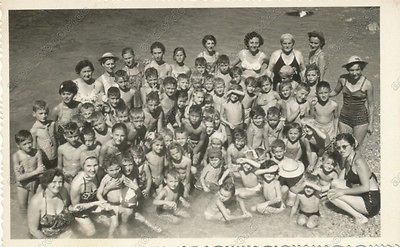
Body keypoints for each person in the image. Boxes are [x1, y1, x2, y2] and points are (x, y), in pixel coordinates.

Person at [328, 133, 380, 224]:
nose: (341, 150)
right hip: (362, 194)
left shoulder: (358, 162)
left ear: (352, 146)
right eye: (338, 147)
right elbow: (341, 180)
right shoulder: (348, 159)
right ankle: (353, 205)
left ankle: (360, 217)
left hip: (370, 202)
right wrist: (334, 188)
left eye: (344, 146)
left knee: (331, 196)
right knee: (334, 184)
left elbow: (365, 188)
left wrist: (342, 192)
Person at [330, 56, 374, 147]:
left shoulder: (367, 84)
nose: (354, 73)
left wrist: (371, 124)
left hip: (361, 120)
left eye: (357, 70)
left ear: (361, 68)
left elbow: (371, 105)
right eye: (351, 70)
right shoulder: (343, 79)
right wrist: (321, 95)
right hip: (344, 118)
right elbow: (334, 92)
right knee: (344, 146)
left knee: (356, 147)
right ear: (347, 69)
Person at [27, 169, 74, 239]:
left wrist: (73, 208)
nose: (58, 185)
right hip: (47, 238)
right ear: (46, 182)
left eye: (60, 182)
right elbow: (33, 230)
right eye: (54, 182)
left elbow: (67, 208)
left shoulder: (63, 191)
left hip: (66, 233)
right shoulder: (36, 201)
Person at [70, 156, 107, 237]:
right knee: (92, 232)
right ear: (83, 166)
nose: (93, 169)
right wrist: (95, 203)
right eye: (89, 166)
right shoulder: (77, 184)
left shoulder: (99, 173)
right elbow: (76, 208)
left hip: (93, 206)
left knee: (108, 223)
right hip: (79, 212)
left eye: (95, 165)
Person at [13, 130, 45, 211]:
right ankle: (23, 223)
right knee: (23, 208)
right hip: (22, 185)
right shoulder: (16, 156)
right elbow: (19, 178)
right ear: (18, 145)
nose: (28, 146)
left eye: (30, 142)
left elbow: (41, 171)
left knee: (38, 205)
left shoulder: (37, 152)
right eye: (24, 144)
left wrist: (39, 172)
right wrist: (36, 172)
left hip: (36, 182)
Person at [31, 100, 58, 169]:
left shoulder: (52, 124)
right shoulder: (34, 130)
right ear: (34, 114)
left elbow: (56, 138)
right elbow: (34, 148)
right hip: (45, 159)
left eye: (45, 113)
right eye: (41, 113)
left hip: (56, 155)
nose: (44, 116)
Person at [57, 122, 84, 188]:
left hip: (79, 176)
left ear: (79, 134)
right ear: (65, 136)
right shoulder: (61, 148)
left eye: (76, 136)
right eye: (70, 137)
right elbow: (59, 166)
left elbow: (84, 166)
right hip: (66, 177)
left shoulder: (83, 148)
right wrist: (61, 177)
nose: (74, 139)